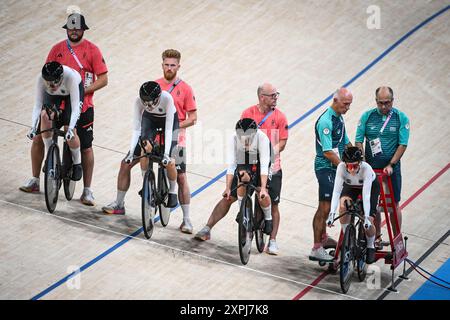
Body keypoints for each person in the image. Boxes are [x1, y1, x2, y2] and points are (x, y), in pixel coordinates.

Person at [20, 12, 108, 207]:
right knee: (38, 135)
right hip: (56, 98)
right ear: (67, 29)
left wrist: (84, 90)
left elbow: (103, 79)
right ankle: (35, 180)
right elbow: (46, 75)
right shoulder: (56, 49)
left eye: (77, 28)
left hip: (81, 102)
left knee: (85, 146)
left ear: (83, 29)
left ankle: (87, 190)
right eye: (71, 28)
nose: (74, 31)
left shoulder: (92, 50)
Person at [102, 81, 178, 215]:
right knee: (142, 149)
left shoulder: (167, 99)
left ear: (158, 97)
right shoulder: (138, 102)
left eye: (151, 102)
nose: (148, 105)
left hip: (169, 122)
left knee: (170, 161)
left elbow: (169, 129)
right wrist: (131, 153)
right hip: (150, 120)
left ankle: (172, 191)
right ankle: (145, 186)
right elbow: (136, 130)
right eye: (145, 103)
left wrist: (166, 154)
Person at [194, 118, 273, 240]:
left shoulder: (262, 139)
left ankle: (268, 218)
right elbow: (231, 166)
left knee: (261, 192)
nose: (245, 142)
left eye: (248, 140)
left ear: (254, 135)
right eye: (242, 139)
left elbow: (264, 167)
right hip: (245, 158)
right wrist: (227, 188)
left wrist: (263, 188)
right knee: (230, 195)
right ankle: (207, 228)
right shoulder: (234, 138)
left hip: (261, 160)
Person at [355, 86, 410, 245]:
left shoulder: (401, 118)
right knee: (374, 205)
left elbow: (403, 144)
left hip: (391, 169)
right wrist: (363, 162)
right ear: (376, 101)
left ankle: (397, 239)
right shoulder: (367, 116)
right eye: (380, 103)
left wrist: (391, 164)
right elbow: (359, 140)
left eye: (387, 103)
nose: (384, 106)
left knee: (393, 205)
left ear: (392, 101)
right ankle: (377, 236)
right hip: (371, 169)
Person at [239, 83, 288, 255]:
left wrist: (269, 152)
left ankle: (273, 240)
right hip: (252, 160)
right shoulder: (248, 113)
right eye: (272, 95)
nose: (276, 98)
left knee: (273, 204)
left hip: (272, 164)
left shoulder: (280, 117)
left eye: (276, 94)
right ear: (262, 97)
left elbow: (282, 142)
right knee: (241, 188)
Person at [155, 49, 197, 234]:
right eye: (167, 64)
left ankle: (187, 220)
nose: (169, 68)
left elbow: (193, 118)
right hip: (155, 136)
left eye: (173, 65)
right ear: (162, 64)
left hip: (176, 139)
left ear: (178, 66)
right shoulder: (155, 85)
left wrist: (174, 125)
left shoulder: (186, 89)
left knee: (181, 177)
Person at [310, 88, 353, 262]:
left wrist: (358, 155)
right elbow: (327, 151)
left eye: (350, 104)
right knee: (325, 207)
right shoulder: (326, 122)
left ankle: (323, 236)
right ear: (335, 100)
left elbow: (345, 141)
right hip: (325, 167)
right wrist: (345, 166)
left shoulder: (339, 118)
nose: (348, 107)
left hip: (338, 167)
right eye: (345, 104)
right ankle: (316, 247)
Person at [27, 61, 83, 181]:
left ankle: (77, 163)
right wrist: (33, 127)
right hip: (53, 96)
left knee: (70, 130)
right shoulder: (40, 80)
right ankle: (50, 157)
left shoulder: (71, 78)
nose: (52, 85)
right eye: (49, 82)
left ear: (61, 77)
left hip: (71, 94)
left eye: (55, 82)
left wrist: (72, 128)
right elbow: (37, 105)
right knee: (45, 116)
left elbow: (75, 107)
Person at [326, 147, 379, 264]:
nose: (352, 170)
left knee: (369, 221)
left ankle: (370, 245)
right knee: (343, 206)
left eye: (355, 166)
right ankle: (348, 240)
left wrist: (366, 217)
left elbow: (366, 196)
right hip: (351, 187)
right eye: (349, 166)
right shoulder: (340, 168)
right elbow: (336, 192)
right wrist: (331, 214)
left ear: (360, 163)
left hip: (369, 188)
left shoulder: (367, 169)